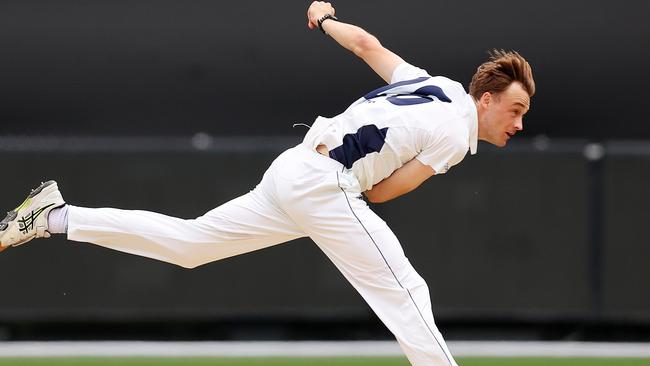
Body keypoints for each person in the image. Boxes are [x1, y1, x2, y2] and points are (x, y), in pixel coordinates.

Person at [0, 2, 535, 365]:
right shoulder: (457, 131)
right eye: (513, 109)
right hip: (327, 186)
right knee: (406, 291)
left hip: (294, 169)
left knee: (190, 246)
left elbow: (368, 45)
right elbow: (383, 193)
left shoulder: (432, 85)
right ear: (484, 99)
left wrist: (324, 18)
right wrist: (368, 184)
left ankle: (54, 217)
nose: (517, 124)